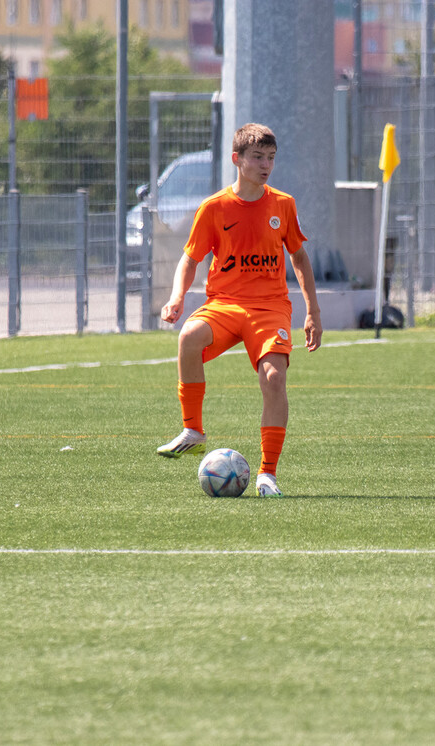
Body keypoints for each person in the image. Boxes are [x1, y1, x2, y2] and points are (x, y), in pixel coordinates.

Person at [156, 123, 323, 497]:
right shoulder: (214, 208)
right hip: (225, 305)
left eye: (271, 158)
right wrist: (177, 297)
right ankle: (193, 431)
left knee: (274, 379)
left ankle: (267, 474)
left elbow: (299, 257)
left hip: (269, 308)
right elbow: (190, 259)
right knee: (188, 337)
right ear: (237, 159)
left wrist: (312, 311)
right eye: (258, 157)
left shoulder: (283, 204)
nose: (266, 165)